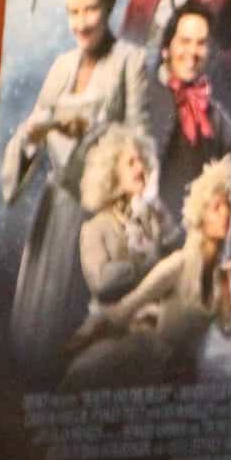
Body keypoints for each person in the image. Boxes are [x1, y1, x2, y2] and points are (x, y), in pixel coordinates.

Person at [0, 0, 150, 386]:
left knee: (83, 346)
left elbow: (139, 145)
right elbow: (28, 138)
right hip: (54, 216)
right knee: (36, 335)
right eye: (73, 12)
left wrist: (97, 139)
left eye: (92, 10)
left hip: (97, 222)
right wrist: (36, 134)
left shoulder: (130, 63)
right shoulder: (60, 68)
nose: (81, 23)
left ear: (110, 4)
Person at [64, 157, 231, 390]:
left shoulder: (220, 276)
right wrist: (83, 337)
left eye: (229, 205)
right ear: (200, 215)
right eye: (217, 207)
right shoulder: (179, 264)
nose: (225, 213)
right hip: (146, 365)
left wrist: (227, 288)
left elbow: (229, 330)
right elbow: (125, 309)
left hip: (184, 375)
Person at [146, 0, 231, 220]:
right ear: (165, 50)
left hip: (192, 239)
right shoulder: (143, 99)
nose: (192, 52)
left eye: (201, 43)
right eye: (185, 41)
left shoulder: (209, 112)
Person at [73, 125, 175, 353]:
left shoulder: (153, 215)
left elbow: (177, 251)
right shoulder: (95, 228)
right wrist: (148, 265)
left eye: (141, 161)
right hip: (114, 327)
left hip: (159, 318)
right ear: (111, 173)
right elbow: (101, 283)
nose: (140, 168)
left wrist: (155, 210)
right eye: (131, 163)